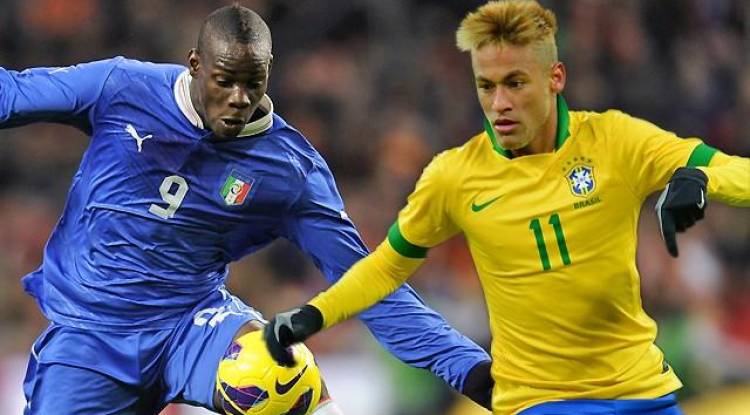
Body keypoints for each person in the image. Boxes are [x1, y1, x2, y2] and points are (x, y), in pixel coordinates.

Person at [0, 5, 495, 415]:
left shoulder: (288, 171)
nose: (239, 99)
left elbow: (368, 284)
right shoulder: (121, 88)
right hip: (90, 333)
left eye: (253, 82)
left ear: (269, 72)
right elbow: (14, 94)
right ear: (195, 64)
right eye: (224, 81)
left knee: (277, 372)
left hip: (190, 325)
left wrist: (473, 371)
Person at [262, 1, 750, 414]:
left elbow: (740, 173)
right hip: (540, 402)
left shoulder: (616, 141)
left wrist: (700, 178)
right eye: (486, 85)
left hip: (642, 393)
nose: (499, 103)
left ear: (555, 77)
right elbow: (387, 266)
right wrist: (317, 313)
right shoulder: (455, 176)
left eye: (515, 83)